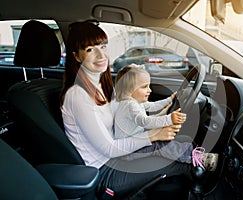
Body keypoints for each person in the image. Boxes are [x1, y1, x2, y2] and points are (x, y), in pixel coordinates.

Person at [59, 20, 196, 199]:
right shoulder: (77, 95)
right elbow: (109, 148)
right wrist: (153, 135)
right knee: (179, 163)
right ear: (77, 57)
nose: (101, 55)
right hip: (103, 170)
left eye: (103, 47)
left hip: (117, 155)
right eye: (90, 49)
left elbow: (126, 117)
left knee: (179, 143)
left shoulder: (100, 85)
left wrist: (159, 117)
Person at [114, 64, 218, 170]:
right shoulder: (129, 105)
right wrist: (169, 119)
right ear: (129, 89)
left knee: (161, 139)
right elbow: (145, 122)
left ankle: (188, 151)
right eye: (144, 87)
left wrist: (169, 100)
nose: (150, 90)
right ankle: (193, 157)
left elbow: (152, 105)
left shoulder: (134, 101)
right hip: (128, 151)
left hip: (135, 141)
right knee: (159, 146)